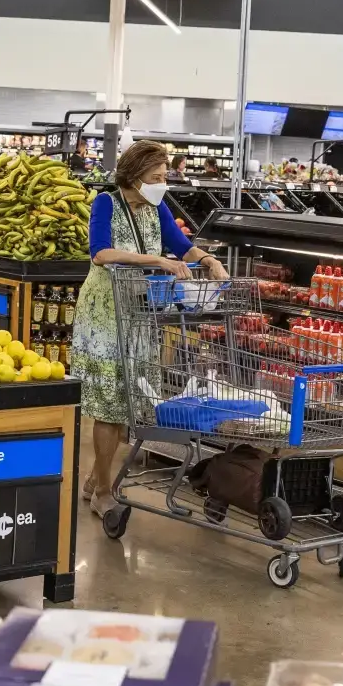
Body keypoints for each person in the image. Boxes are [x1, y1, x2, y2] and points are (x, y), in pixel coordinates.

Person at [73, 141, 230, 518]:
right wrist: (156, 260)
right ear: (135, 175)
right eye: (156, 177)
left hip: (140, 314)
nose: (163, 183)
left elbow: (182, 245)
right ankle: (104, 492)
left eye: (164, 176)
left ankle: (99, 476)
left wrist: (208, 261)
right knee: (109, 406)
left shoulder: (157, 207)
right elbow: (101, 253)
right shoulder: (107, 203)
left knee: (131, 401)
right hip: (106, 314)